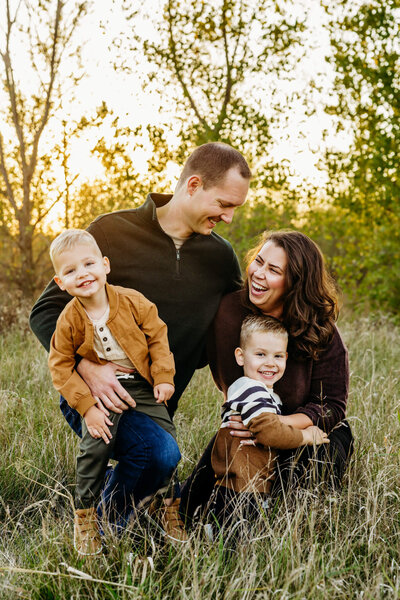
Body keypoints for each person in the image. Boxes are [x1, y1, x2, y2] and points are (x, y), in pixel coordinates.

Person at [30, 142, 251, 526]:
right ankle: (101, 528)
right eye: (225, 204)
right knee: (159, 457)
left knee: (156, 461)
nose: (229, 217)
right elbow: (44, 312)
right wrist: (87, 366)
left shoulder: (220, 257)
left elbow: (236, 324)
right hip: (94, 391)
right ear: (194, 185)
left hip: (157, 399)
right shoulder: (111, 232)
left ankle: (110, 528)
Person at [180, 230, 353, 525]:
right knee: (193, 509)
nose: (258, 274)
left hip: (310, 430)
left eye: (273, 270)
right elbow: (180, 348)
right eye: (258, 262)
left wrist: (277, 426)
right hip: (249, 421)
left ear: (294, 282)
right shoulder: (226, 312)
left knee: (292, 502)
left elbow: (332, 406)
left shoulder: (319, 328)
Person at [48, 229, 187, 554]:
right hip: (95, 392)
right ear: (60, 282)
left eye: (88, 263)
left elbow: (157, 336)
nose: (82, 273)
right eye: (70, 271)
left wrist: (163, 376)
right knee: (95, 446)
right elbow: (60, 367)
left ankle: (169, 507)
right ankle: (85, 517)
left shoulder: (132, 301)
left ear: (105, 264)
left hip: (140, 385)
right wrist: (88, 408)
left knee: (169, 446)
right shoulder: (68, 321)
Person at [210, 314, 329, 528]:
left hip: (252, 484)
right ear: (240, 356)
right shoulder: (249, 389)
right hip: (240, 486)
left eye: (278, 356)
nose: (270, 363)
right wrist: (305, 436)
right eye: (260, 354)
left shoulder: (266, 394)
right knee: (236, 544)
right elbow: (270, 433)